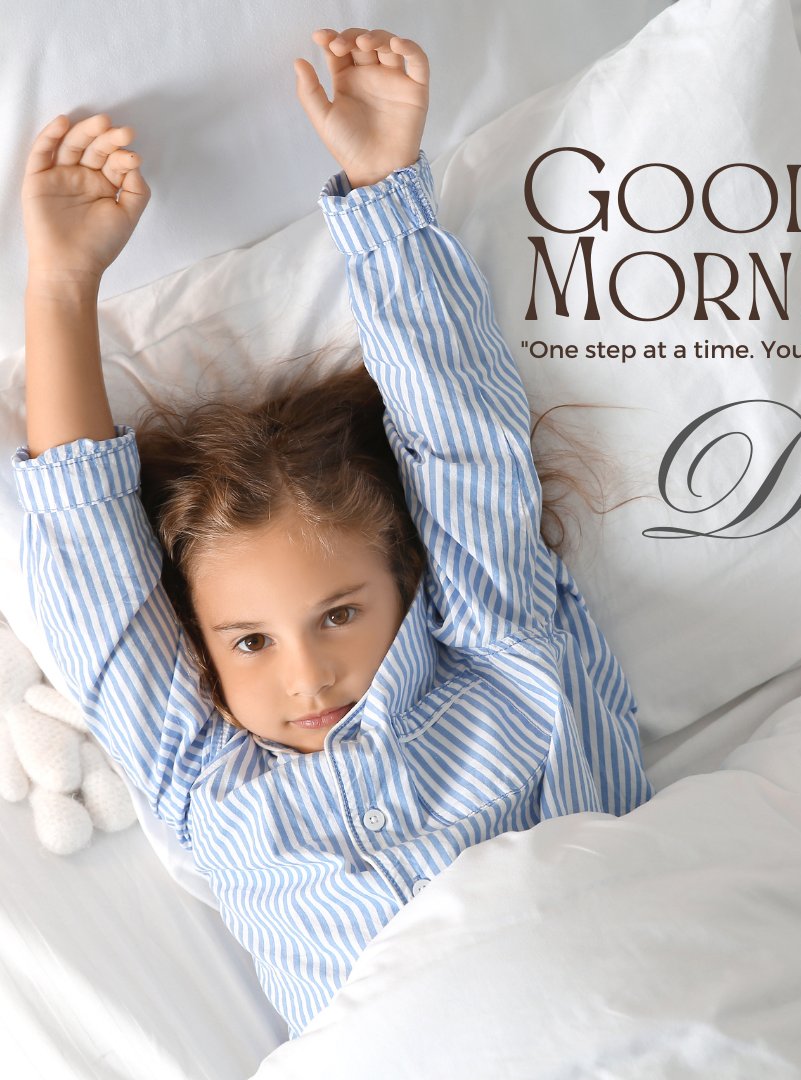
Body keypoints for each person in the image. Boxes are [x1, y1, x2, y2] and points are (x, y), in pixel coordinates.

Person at [15, 28, 653, 1037]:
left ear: (410, 581)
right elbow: (89, 558)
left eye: (341, 613)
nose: (306, 679)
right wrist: (57, 283)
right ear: (204, 646)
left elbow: (463, 450)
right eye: (252, 642)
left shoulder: (498, 658)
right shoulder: (203, 777)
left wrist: (383, 182)